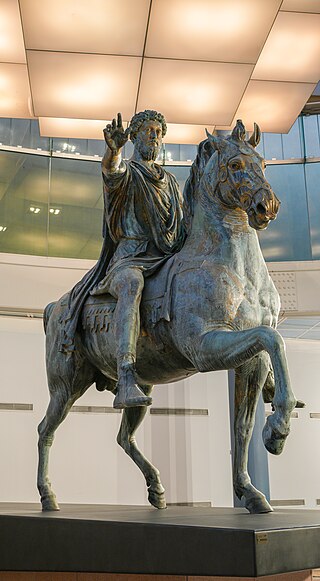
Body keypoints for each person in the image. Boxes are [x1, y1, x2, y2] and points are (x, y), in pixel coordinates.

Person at [90, 110, 185, 409]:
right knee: (131, 284)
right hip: (129, 259)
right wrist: (113, 150)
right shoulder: (127, 173)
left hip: (164, 257)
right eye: (148, 131)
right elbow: (111, 172)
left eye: (159, 132)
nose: (155, 136)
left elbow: (182, 225)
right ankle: (126, 374)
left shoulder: (170, 180)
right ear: (134, 136)